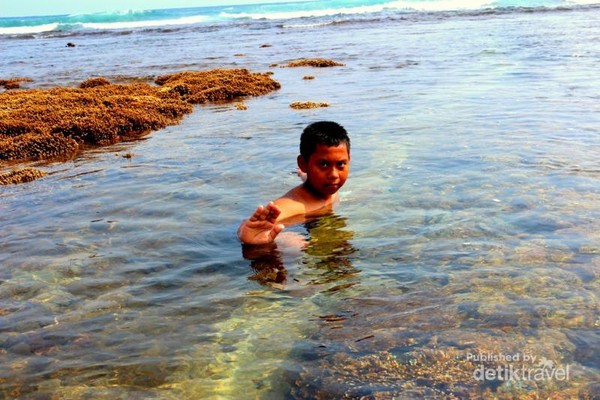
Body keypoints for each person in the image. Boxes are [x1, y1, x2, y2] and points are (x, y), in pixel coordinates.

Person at [237, 121, 351, 245]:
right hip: (304, 232)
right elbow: (251, 225)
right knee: (297, 243)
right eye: (323, 164)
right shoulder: (293, 206)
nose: (334, 175)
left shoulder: (329, 187)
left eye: (340, 164)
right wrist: (245, 235)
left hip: (321, 216)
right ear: (303, 164)